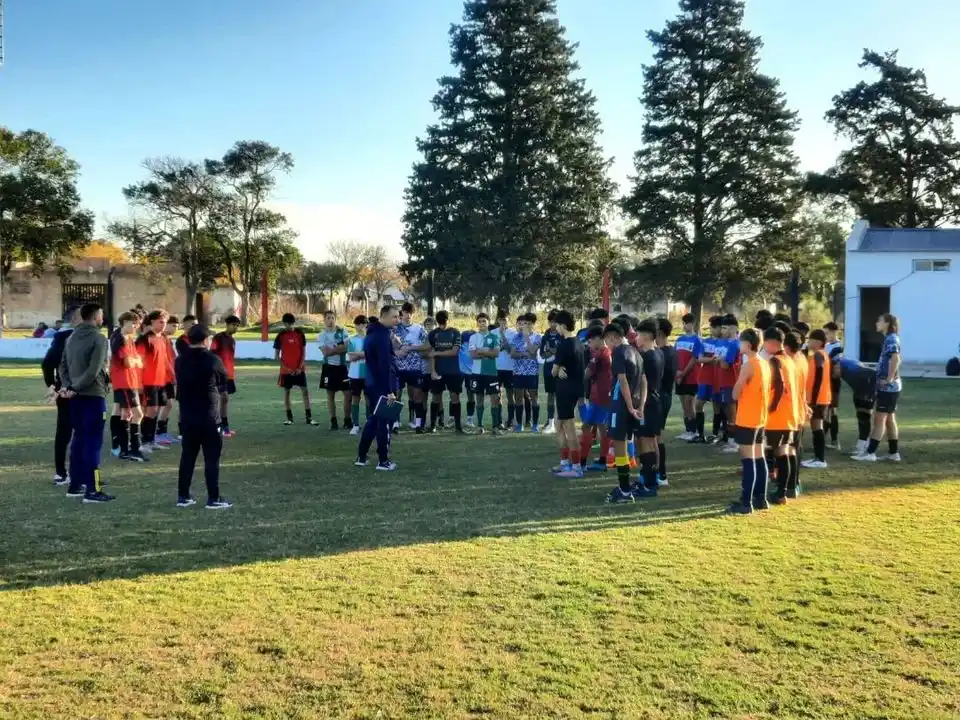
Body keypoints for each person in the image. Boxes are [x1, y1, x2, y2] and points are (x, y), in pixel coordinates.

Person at [58, 303, 114, 503]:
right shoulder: (99, 338)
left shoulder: (71, 337)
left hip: (75, 397)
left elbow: (62, 365)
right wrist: (74, 387)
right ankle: (92, 489)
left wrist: (67, 386)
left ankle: (75, 485)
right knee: (93, 443)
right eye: (101, 314)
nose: (102, 317)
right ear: (96, 316)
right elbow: (94, 369)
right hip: (92, 396)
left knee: (79, 439)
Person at [175, 323, 232, 509]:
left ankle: (183, 496)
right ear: (206, 340)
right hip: (209, 416)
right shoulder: (213, 360)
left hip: (187, 415)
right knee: (211, 458)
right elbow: (224, 381)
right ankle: (213, 498)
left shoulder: (180, 360)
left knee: (188, 456)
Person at [728, 328, 771, 514]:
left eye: (741, 341)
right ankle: (761, 498)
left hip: (747, 417)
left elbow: (735, 393)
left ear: (747, 344)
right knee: (759, 457)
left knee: (748, 460)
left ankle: (746, 502)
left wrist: (738, 389)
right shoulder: (764, 363)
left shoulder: (749, 364)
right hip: (760, 417)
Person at [356, 305, 400, 471]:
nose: (397, 320)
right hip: (381, 385)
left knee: (373, 421)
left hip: (372, 383)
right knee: (383, 422)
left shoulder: (373, 333)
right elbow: (383, 365)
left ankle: (361, 456)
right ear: (384, 316)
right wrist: (389, 390)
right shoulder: (381, 335)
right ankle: (383, 461)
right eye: (394, 316)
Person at [604, 322, 644, 503]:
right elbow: (644, 381)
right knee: (626, 446)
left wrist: (628, 406)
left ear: (613, 338)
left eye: (607, 340)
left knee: (619, 446)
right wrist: (640, 405)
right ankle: (625, 485)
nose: (607, 344)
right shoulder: (636, 352)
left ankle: (625, 490)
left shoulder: (619, 352)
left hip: (621, 405)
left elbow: (623, 380)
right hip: (634, 403)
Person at [854, 314, 903, 463]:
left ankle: (870, 453)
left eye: (879, 320)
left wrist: (888, 379)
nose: (876, 323)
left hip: (888, 387)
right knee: (889, 419)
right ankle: (893, 453)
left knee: (879, 419)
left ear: (887, 323)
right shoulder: (890, 338)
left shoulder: (891, 339)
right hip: (892, 387)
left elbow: (895, 358)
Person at [763, 327, 803, 504]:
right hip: (790, 414)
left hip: (778, 417)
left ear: (771, 343)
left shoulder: (775, 361)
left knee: (778, 452)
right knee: (786, 451)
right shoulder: (790, 360)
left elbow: (779, 387)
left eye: (765, 343)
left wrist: (770, 408)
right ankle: (786, 489)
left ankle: (780, 493)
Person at [41, 306, 79, 485]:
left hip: (87, 391)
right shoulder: (64, 337)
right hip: (68, 392)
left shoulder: (91, 336)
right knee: (65, 431)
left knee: (83, 433)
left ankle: (80, 472)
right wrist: (53, 385)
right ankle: (61, 472)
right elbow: (48, 363)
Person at [551, 310, 586, 478]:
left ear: (563, 326)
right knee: (558, 425)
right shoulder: (579, 342)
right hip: (574, 389)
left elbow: (553, 371)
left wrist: (557, 371)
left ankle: (576, 467)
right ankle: (564, 463)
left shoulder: (564, 344)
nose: (555, 328)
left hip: (566, 391)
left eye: (557, 325)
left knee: (569, 429)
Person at [110, 311, 148, 463]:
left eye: (136, 323)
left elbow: (135, 360)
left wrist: (135, 360)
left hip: (129, 381)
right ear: (123, 322)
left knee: (127, 414)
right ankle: (134, 449)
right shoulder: (120, 339)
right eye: (132, 323)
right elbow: (128, 363)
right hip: (124, 382)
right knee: (137, 414)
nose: (135, 326)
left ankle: (125, 449)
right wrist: (136, 360)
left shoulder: (129, 339)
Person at [136, 309, 172, 451]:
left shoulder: (162, 338)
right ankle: (144, 442)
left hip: (160, 381)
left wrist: (173, 373)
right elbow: (138, 362)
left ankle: (151, 440)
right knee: (149, 411)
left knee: (156, 410)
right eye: (160, 322)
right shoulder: (145, 339)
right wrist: (138, 382)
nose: (163, 325)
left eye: (165, 322)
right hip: (148, 382)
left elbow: (165, 360)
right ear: (152, 322)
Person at [274, 313, 317, 426]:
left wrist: (300, 367)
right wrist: (286, 369)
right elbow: (276, 356)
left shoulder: (299, 334)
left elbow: (303, 352)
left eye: (290, 324)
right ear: (284, 324)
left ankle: (309, 418)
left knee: (305, 391)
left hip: (299, 369)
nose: (288, 326)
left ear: (294, 323)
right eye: (286, 324)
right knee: (287, 392)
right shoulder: (280, 336)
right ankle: (289, 418)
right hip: (286, 371)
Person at [394, 302, 430, 433]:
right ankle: (395, 423)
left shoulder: (419, 329)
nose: (408, 315)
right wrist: (397, 352)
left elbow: (427, 346)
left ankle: (419, 424)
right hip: (398, 368)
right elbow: (388, 346)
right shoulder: (395, 328)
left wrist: (412, 347)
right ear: (401, 313)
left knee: (417, 396)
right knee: (395, 396)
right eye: (406, 312)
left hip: (415, 368)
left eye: (411, 313)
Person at [582, 325, 613, 472]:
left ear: (598, 339)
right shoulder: (607, 352)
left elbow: (587, 373)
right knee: (601, 427)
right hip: (601, 394)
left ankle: (582, 462)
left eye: (590, 340)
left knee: (588, 426)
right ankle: (602, 459)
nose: (589, 344)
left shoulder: (600, 354)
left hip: (600, 395)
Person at [428, 310, 464, 433]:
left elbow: (454, 352)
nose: (442, 323)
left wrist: (438, 352)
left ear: (448, 319)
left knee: (454, 397)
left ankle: (458, 426)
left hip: (453, 371)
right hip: (438, 371)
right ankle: (432, 425)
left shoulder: (455, 332)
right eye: (440, 321)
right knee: (436, 398)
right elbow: (431, 355)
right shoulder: (433, 334)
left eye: (444, 320)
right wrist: (432, 371)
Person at [833, 356, 877, 457]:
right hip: (863, 381)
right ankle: (862, 445)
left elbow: (837, 372)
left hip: (865, 381)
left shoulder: (836, 361)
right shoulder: (846, 360)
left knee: (863, 416)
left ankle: (864, 447)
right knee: (862, 415)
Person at [802, 329, 833, 469]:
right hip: (820, 397)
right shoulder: (819, 355)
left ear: (819, 342)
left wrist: (813, 398)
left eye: (811, 339)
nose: (808, 342)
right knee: (816, 427)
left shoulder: (819, 355)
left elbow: (819, 376)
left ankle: (820, 459)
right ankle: (817, 457)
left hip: (818, 399)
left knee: (817, 427)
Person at [467, 313, 502, 434]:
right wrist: (488, 351)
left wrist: (481, 351)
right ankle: (480, 427)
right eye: (480, 321)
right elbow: (473, 355)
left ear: (488, 322)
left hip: (491, 373)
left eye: (484, 321)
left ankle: (495, 427)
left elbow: (496, 353)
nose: (482, 323)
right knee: (479, 399)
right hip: (477, 373)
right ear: (477, 323)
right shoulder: (473, 337)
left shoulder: (494, 337)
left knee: (495, 399)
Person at [509, 313, 542, 433]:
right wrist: (524, 354)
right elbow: (513, 354)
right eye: (523, 323)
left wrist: (527, 338)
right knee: (518, 397)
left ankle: (535, 424)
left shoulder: (537, 337)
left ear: (532, 325)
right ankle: (519, 424)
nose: (525, 326)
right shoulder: (516, 337)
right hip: (518, 372)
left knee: (534, 397)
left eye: (528, 324)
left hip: (532, 372)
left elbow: (533, 352)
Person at [210, 315, 240, 436]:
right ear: (227, 324)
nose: (235, 328)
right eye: (234, 325)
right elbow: (212, 353)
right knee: (222, 398)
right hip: (219, 373)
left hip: (229, 374)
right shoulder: (218, 338)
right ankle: (218, 426)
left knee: (225, 399)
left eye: (237, 326)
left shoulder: (232, 340)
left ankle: (224, 426)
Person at [674, 313, 702, 441]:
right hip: (679, 376)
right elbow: (675, 357)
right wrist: (677, 373)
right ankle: (687, 430)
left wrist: (683, 373)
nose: (686, 325)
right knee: (683, 404)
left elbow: (694, 359)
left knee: (689, 402)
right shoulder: (679, 340)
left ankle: (693, 431)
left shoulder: (697, 340)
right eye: (684, 323)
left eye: (688, 323)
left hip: (691, 376)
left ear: (693, 324)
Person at [656, 318, 677, 486]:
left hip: (661, 397)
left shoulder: (664, 353)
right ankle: (657, 472)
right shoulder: (670, 350)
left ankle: (661, 474)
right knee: (655, 437)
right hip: (664, 396)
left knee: (657, 438)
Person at [716, 315, 740, 453]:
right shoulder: (727, 343)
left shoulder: (733, 344)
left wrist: (719, 359)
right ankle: (729, 439)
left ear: (733, 328)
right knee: (727, 411)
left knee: (732, 413)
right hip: (724, 382)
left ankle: (734, 442)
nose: (722, 331)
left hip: (731, 382)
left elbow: (725, 365)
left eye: (725, 328)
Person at [156, 315, 180, 445]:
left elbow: (172, 358)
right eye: (174, 326)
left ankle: (161, 432)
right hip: (163, 377)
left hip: (168, 377)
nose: (176, 328)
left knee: (167, 404)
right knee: (165, 404)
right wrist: (173, 373)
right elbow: (165, 361)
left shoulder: (168, 340)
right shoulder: (161, 339)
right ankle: (159, 433)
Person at [491, 311, 517, 431]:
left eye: (505, 320)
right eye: (501, 320)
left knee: (510, 395)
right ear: (498, 321)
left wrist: (502, 335)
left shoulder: (513, 334)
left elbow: (510, 351)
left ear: (508, 320)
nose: (503, 322)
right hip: (496, 369)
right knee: (496, 396)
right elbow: (491, 351)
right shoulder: (491, 333)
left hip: (510, 369)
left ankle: (510, 421)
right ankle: (498, 422)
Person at [539, 310, 562, 434]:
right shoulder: (546, 336)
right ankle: (551, 422)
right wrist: (553, 351)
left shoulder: (562, 335)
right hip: (548, 368)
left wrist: (552, 350)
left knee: (561, 395)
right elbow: (542, 354)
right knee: (550, 395)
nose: (553, 324)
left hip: (560, 369)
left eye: (555, 322)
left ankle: (561, 422)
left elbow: (562, 352)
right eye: (551, 321)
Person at [823, 322, 844, 449]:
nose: (825, 336)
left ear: (834, 332)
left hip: (833, 381)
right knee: (827, 410)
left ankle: (834, 440)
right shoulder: (826, 345)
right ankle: (828, 439)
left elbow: (832, 362)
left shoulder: (838, 346)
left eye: (827, 333)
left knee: (831, 410)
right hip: (826, 381)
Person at [459, 325, 476, 429]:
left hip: (472, 374)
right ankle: (453, 417)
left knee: (471, 396)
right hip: (460, 373)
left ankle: (470, 418)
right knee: (454, 395)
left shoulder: (476, 348)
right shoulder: (459, 348)